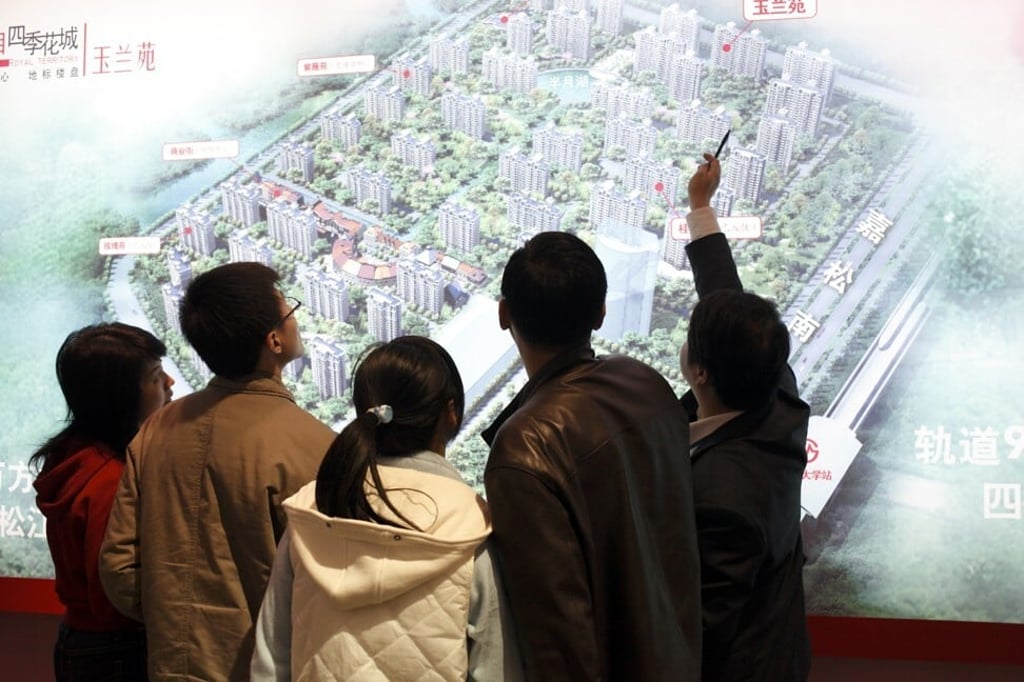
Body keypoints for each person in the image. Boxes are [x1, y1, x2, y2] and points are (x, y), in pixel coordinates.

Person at [481, 231, 702, 681]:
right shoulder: (647, 385)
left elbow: (558, 635)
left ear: (504, 314)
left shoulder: (524, 446)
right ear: (601, 313)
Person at [100, 262, 336, 681]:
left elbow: (119, 567)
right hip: (270, 667)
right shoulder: (315, 445)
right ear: (274, 340)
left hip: (173, 665)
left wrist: (175, 620)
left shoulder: (158, 428)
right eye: (289, 309)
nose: (296, 318)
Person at [252, 336, 522, 681]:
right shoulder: (471, 529)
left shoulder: (312, 514)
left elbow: (270, 661)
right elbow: (495, 669)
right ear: (451, 412)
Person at [681, 153, 811, 681]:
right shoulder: (776, 395)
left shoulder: (721, 493)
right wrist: (700, 208)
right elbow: (727, 299)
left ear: (702, 373)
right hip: (782, 641)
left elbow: (705, 624)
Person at [31, 322, 174, 681]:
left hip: (87, 642)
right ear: (122, 395)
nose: (170, 383)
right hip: (117, 649)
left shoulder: (74, 456)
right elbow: (113, 593)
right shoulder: (110, 481)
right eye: (156, 377)